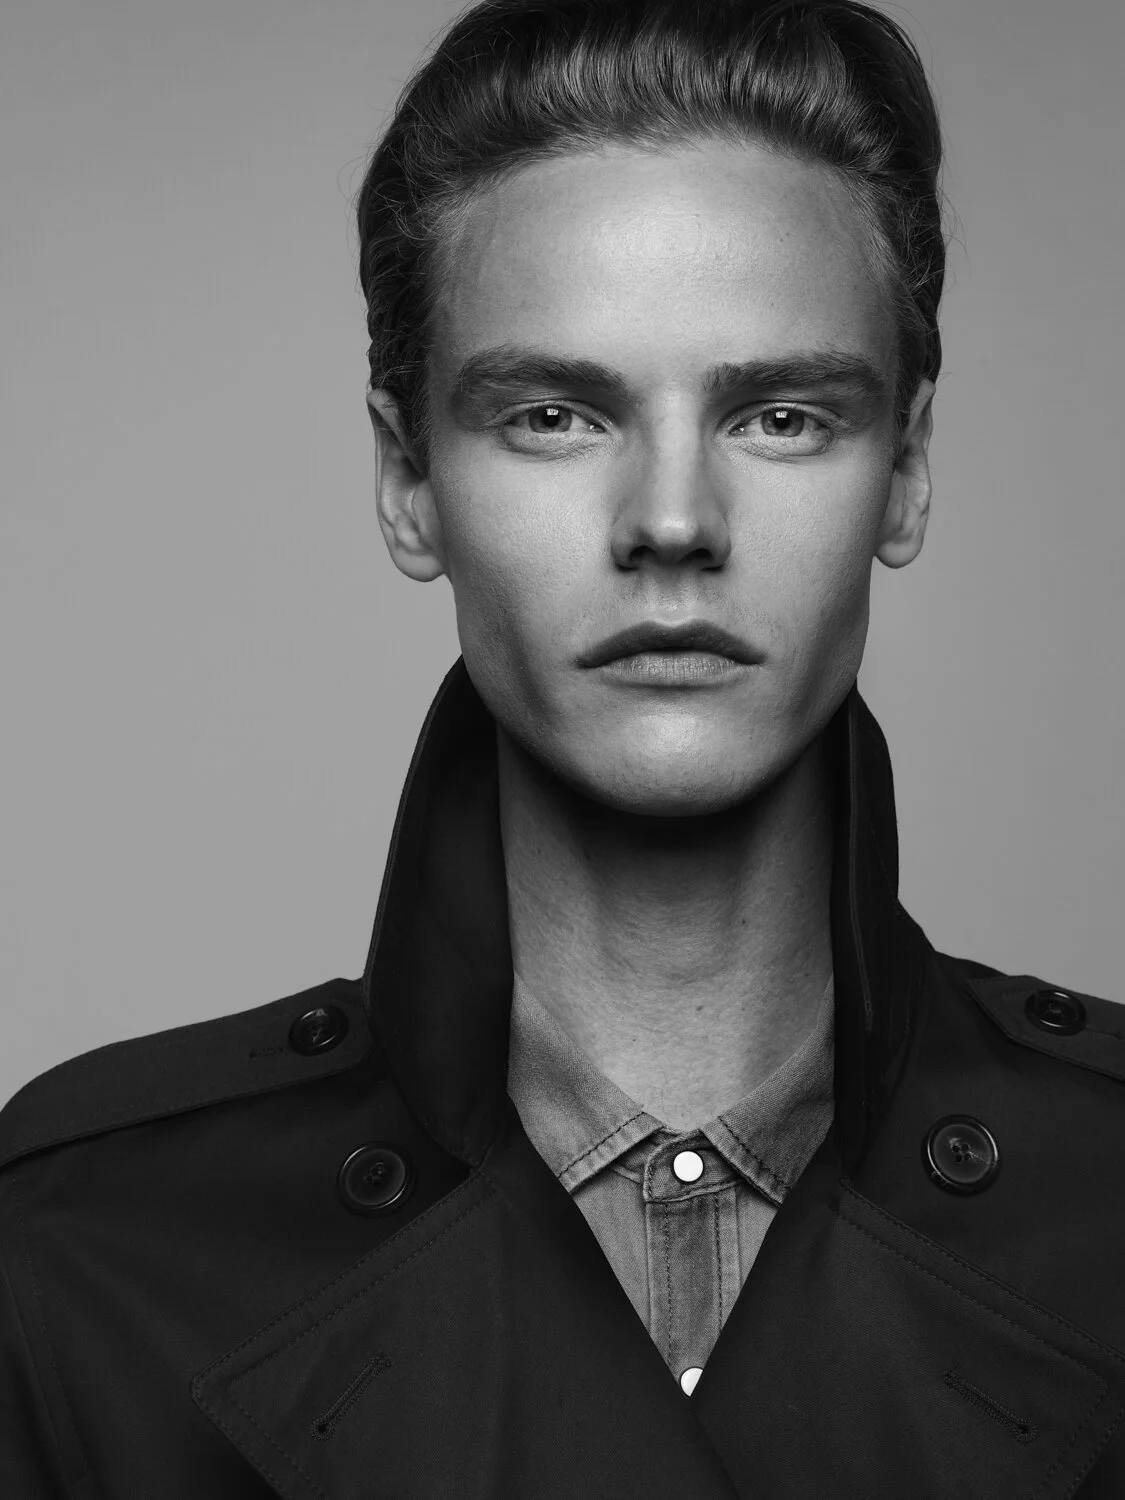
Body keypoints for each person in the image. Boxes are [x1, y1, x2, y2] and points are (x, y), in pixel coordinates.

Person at [3, 0, 1124, 1495]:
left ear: (907, 469)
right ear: (409, 478)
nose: (672, 521)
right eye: (553, 415)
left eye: (782, 416)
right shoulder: (82, 1248)